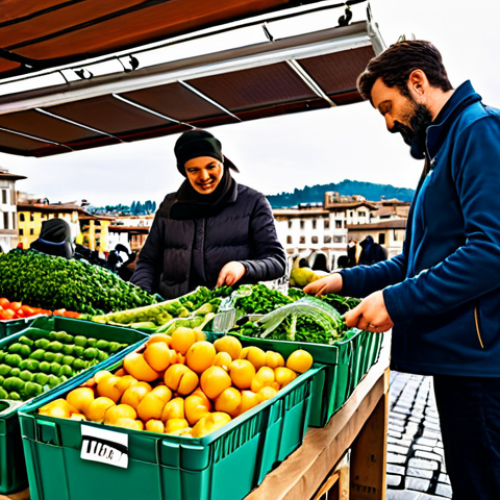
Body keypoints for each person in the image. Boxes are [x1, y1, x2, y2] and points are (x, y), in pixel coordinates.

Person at [304, 40, 500, 499]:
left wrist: (397, 301)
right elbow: (414, 263)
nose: (390, 123)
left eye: (388, 108)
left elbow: (492, 250)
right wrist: (346, 280)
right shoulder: (445, 145)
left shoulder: (478, 130)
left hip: (485, 366)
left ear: (417, 81)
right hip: (464, 363)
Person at [131, 129, 286, 299]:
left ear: (222, 163)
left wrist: (244, 267)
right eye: (193, 170)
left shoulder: (253, 202)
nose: (204, 176)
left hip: (227, 318)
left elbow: (276, 261)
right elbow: (148, 262)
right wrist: (139, 297)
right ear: (184, 171)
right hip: (171, 316)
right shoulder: (169, 207)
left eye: (211, 166)